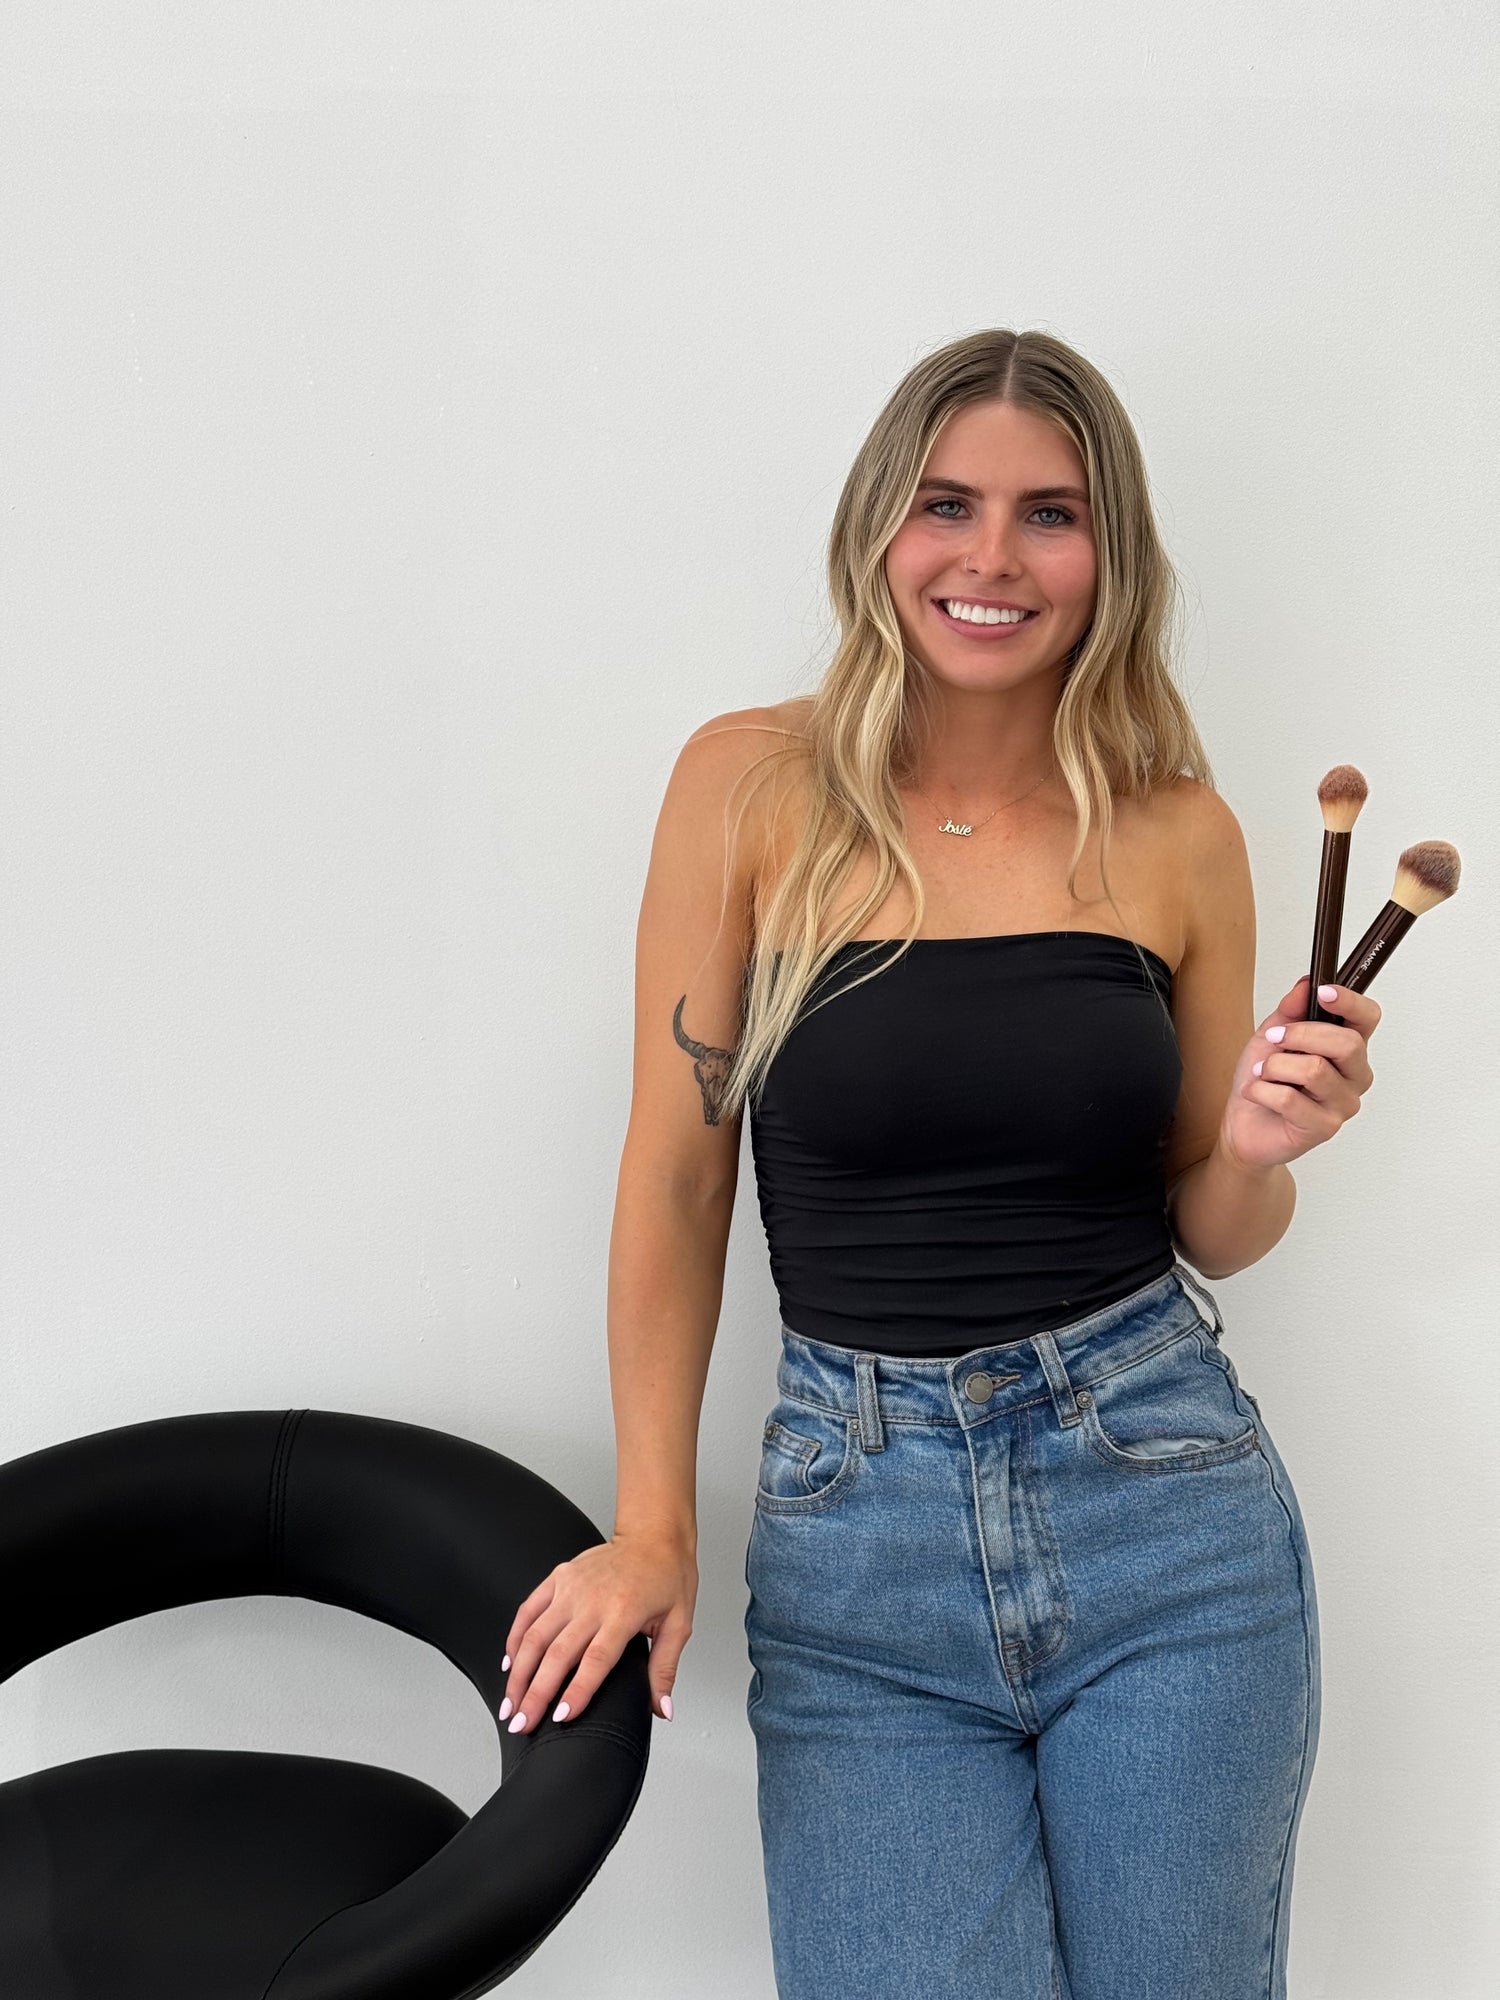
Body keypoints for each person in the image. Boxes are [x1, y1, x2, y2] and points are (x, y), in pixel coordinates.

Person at [496, 328, 1380, 1998]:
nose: (992, 558)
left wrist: (1266, 1145)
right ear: (877, 528)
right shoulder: (748, 789)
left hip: (1166, 1520)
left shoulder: (1177, 830)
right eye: (947, 504)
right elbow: (678, 1179)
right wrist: (652, 1523)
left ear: (1110, 554)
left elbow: (1213, 1224)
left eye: (1051, 514)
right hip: (859, 1546)